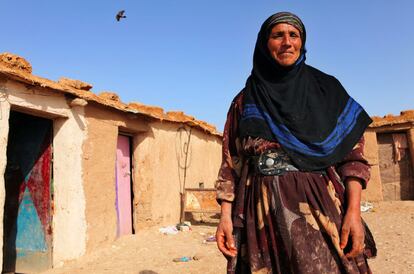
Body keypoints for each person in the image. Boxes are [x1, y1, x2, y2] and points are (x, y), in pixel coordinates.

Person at [215, 12, 376, 274]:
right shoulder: (245, 101)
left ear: (302, 43)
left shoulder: (327, 90)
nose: (287, 42)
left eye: (294, 35)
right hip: (260, 213)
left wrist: (354, 213)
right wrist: (224, 217)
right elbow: (231, 162)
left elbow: (353, 160)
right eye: (278, 35)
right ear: (264, 44)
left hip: (317, 207)